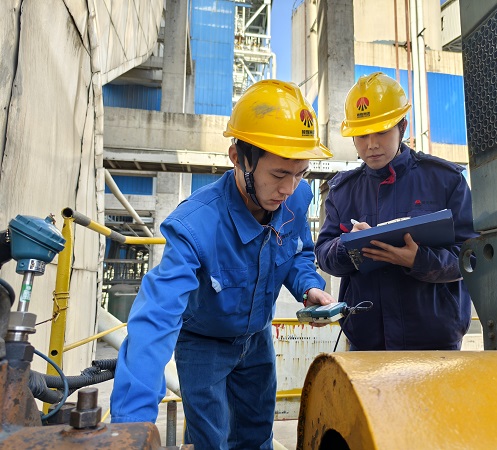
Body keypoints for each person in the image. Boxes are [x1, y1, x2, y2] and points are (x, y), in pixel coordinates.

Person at [110, 79, 336, 449]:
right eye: (279, 174)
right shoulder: (194, 226)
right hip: (204, 344)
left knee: (256, 434)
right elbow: (156, 320)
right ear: (238, 158)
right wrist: (129, 429)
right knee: (211, 439)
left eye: (300, 173)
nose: (290, 188)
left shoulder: (295, 198)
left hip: (256, 339)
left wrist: (308, 285)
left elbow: (296, 252)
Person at [315, 72, 478, 351]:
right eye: (362, 135)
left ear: (402, 127)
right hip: (367, 343)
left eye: (381, 131)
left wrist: (418, 259)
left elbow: (471, 256)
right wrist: (348, 246)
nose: (371, 144)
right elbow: (324, 255)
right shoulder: (343, 191)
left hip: (434, 342)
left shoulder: (445, 180)